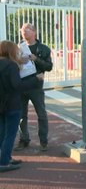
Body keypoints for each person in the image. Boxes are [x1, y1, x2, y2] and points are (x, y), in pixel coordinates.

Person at [0, 41, 43, 173]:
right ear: (10, 51)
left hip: (1, 104)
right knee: (10, 134)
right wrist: (36, 79)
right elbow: (17, 85)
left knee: (2, 133)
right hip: (12, 104)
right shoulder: (11, 65)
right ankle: (4, 162)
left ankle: (5, 157)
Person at [15, 23, 53, 152]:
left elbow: (49, 66)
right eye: (22, 30)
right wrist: (18, 61)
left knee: (41, 114)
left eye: (27, 30)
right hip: (20, 86)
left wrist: (36, 59)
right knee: (21, 115)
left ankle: (43, 141)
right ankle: (24, 140)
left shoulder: (43, 48)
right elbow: (12, 65)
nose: (24, 32)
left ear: (34, 32)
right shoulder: (18, 48)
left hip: (36, 86)